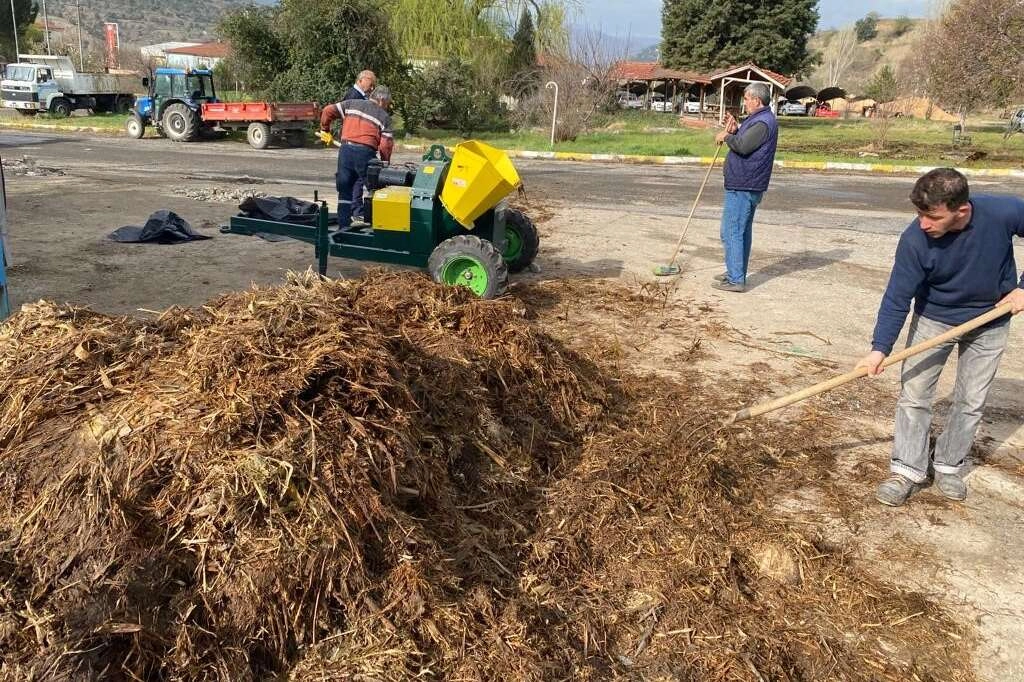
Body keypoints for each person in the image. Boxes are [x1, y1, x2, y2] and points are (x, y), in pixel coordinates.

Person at [856, 168, 1024, 507]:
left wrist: (1023, 289)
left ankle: (948, 464)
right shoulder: (915, 240)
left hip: (991, 320)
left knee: (971, 400)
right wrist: (879, 349)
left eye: (932, 216)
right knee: (915, 395)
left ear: (961, 211)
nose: (923, 223)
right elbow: (897, 297)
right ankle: (907, 469)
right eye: (919, 213)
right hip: (934, 319)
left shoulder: (1003, 213)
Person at [711, 82, 779, 293]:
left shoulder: (763, 122)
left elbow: (743, 146)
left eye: (747, 99)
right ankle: (735, 270)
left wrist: (727, 136)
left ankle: (735, 278)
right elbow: (746, 137)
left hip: (744, 185)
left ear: (757, 101)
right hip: (745, 182)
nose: (745, 102)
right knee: (741, 231)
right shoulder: (758, 119)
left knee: (731, 231)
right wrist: (736, 128)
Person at [319, 86, 394, 230]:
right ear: (381, 100)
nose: (386, 107)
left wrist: (325, 130)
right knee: (376, 189)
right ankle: (377, 226)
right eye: (386, 104)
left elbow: (328, 111)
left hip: (345, 150)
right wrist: (385, 164)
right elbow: (386, 145)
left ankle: (343, 227)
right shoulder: (383, 116)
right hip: (365, 153)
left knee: (344, 189)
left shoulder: (352, 103)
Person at [341, 70, 377, 219]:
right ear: (363, 80)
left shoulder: (360, 96)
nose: (372, 87)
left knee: (357, 178)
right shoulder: (353, 96)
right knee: (360, 178)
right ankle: (356, 210)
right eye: (371, 83)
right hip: (355, 144)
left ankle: (355, 210)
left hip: (354, 143)